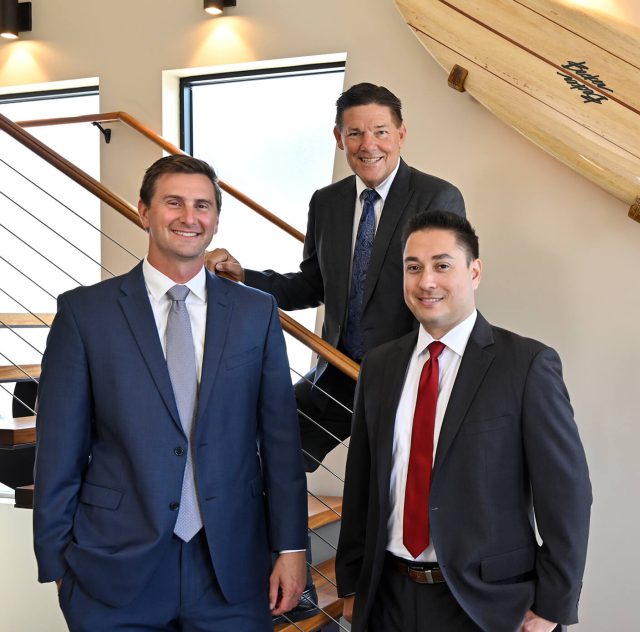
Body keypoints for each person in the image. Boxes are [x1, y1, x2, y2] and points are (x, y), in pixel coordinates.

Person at [33, 155, 308, 630]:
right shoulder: (84, 314)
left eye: (203, 205)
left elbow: (282, 445)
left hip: (231, 569)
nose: (189, 217)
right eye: (173, 202)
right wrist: (57, 563)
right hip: (115, 569)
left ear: (216, 219)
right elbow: (59, 449)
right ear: (143, 211)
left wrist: (291, 548)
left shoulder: (255, 313)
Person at [336, 211, 592, 632]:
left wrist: (551, 608)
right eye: (413, 268)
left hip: (486, 607)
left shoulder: (526, 365)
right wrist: (351, 584)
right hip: (388, 600)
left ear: (474, 272)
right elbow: (362, 481)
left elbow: (567, 497)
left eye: (442, 265)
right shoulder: (379, 366)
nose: (426, 281)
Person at [206, 83, 466, 471]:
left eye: (380, 131)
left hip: (403, 376)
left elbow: (445, 298)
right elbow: (313, 285)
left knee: (381, 489)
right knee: (267, 447)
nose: (368, 144)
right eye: (355, 133)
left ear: (400, 134)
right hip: (337, 370)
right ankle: (277, 532)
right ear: (338, 138)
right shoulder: (326, 202)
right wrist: (244, 276)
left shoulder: (436, 197)